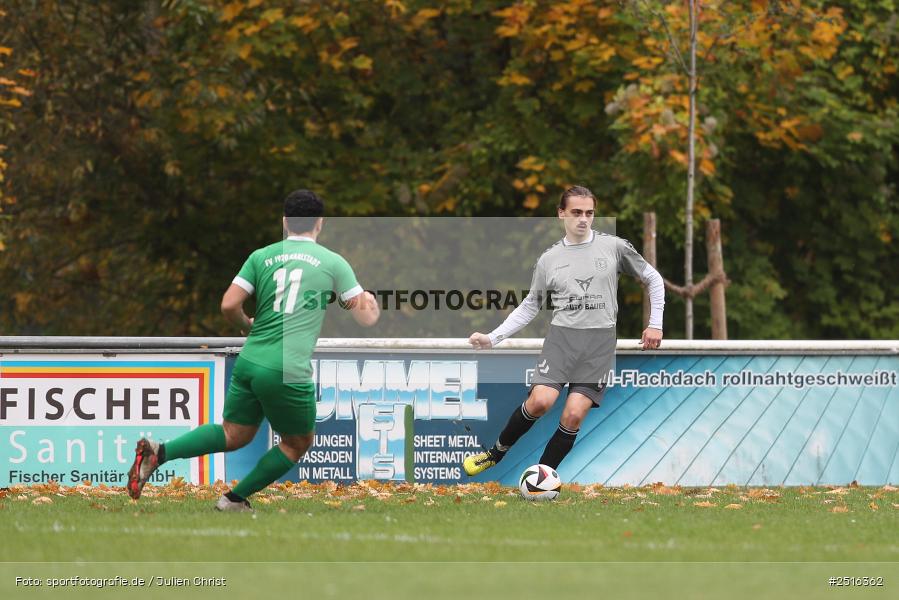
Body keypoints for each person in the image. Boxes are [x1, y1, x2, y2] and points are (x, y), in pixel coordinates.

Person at [126, 189, 380, 510]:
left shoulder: (261, 256)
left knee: (233, 433)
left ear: (285, 221)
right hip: (286, 367)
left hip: (250, 359)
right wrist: (369, 300)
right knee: (296, 442)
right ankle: (233, 500)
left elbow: (229, 304)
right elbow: (365, 317)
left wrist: (246, 324)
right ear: (320, 223)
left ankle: (159, 452)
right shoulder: (332, 262)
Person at [463, 185, 664, 476]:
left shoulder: (615, 247)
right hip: (562, 340)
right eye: (576, 212)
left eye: (589, 213)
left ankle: (540, 479)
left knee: (573, 415)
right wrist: (493, 337)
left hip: (599, 344)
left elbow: (653, 279)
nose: (583, 219)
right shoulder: (549, 259)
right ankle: (494, 454)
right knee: (541, 401)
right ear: (561, 214)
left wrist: (655, 324)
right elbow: (530, 306)